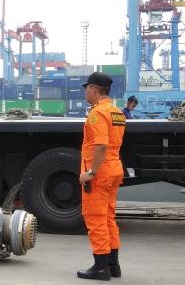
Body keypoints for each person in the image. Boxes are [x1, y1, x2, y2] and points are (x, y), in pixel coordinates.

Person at [77, 72, 126, 281]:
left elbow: (101, 144)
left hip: (100, 173)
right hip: (115, 169)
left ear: (94, 90)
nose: (86, 92)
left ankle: (100, 267)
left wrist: (91, 173)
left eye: (87, 88)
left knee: (95, 218)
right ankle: (113, 265)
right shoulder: (117, 112)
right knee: (108, 218)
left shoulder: (97, 114)